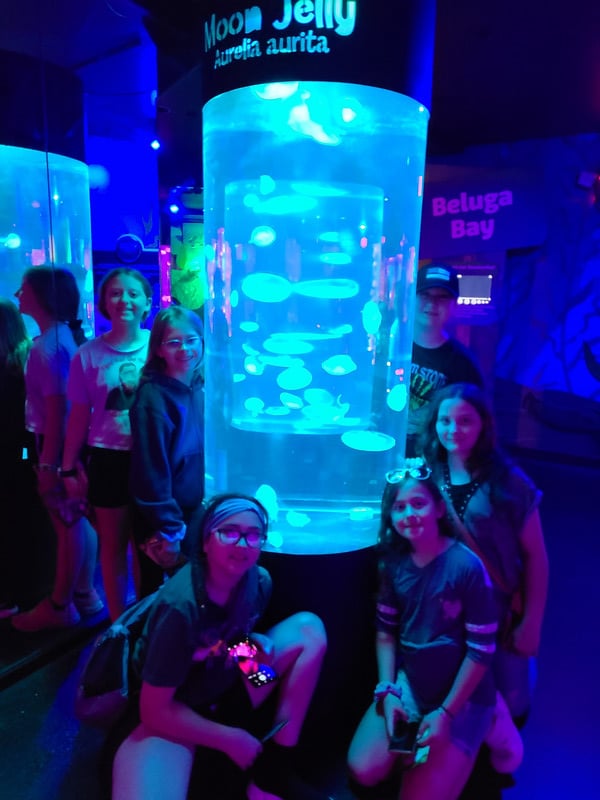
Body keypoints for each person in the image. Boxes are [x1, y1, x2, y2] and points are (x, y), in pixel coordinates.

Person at [112, 493, 333, 800]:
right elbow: (153, 709)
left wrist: (254, 655)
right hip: (175, 708)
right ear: (205, 540)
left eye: (253, 535)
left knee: (308, 631)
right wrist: (230, 739)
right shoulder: (181, 608)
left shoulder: (258, 581)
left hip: (222, 684)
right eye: (229, 532)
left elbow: (231, 638)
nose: (243, 544)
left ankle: (271, 774)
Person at [347, 460, 498, 800]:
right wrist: (389, 689)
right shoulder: (393, 564)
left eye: (418, 503)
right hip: (414, 682)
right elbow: (385, 630)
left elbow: (481, 648)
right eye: (399, 507)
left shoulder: (466, 567)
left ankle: (488, 720)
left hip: (461, 693)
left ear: (439, 508)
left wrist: (445, 712)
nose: (409, 513)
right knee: (362, 768)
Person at [420, 382, 549, 726]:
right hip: (446, 608)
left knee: (513, 697)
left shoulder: (510, 482)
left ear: (484, 425)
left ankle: (505, 762)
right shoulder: (427, 474)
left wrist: (532, 622)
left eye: (465, 421)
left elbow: (536, 556)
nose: (453, 429)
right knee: (460, 691)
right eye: (445, 420)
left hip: (499, 607)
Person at [11, 266, 101, 632]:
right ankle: (85, 595)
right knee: (75, 520)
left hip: (56, 447)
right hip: (62, 447)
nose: (18, 295)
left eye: (24, 289)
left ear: (42, 297)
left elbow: (59, 408)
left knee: (66, 524)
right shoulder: (58, 339)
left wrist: (49, 466)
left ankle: (60, 605)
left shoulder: (49, 347)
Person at [60, 268, 153, 620]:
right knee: (112, 548)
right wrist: (67, 467)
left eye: (132, 293)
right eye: (115, 293)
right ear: (103, 302)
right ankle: (118, 627)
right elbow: (79, 416)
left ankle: (145, 622)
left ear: (146, 302)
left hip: (152, 459)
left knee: (149, 548)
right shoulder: (87, 355)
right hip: (107, 458)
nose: (124, 300)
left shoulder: (159, 348)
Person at [129, 305, 205, 596]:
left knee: (191, 595)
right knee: (157, 598)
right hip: (161, 518)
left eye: (191, 340)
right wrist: (169, 527)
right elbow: (150, 471)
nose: (184, 348)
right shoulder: (152, 399)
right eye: (173, 342)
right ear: (158, 349)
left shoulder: (203, 387)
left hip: (195, 510)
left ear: (201, 341)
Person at [406, 263, 484, 456]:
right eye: (425, 295)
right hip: (381, 449)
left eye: (442, 297)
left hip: (431, 463)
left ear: (453, 304)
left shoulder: (464, 365)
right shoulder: (389, 347)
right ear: (412, 298)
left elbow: (474, 424)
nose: (432, 304)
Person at [0, 299, 32, 617]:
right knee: (18, 519)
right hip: (22, 449)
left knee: (8, 522)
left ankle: (10, 595)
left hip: (13, 451)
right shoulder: (26, 355)